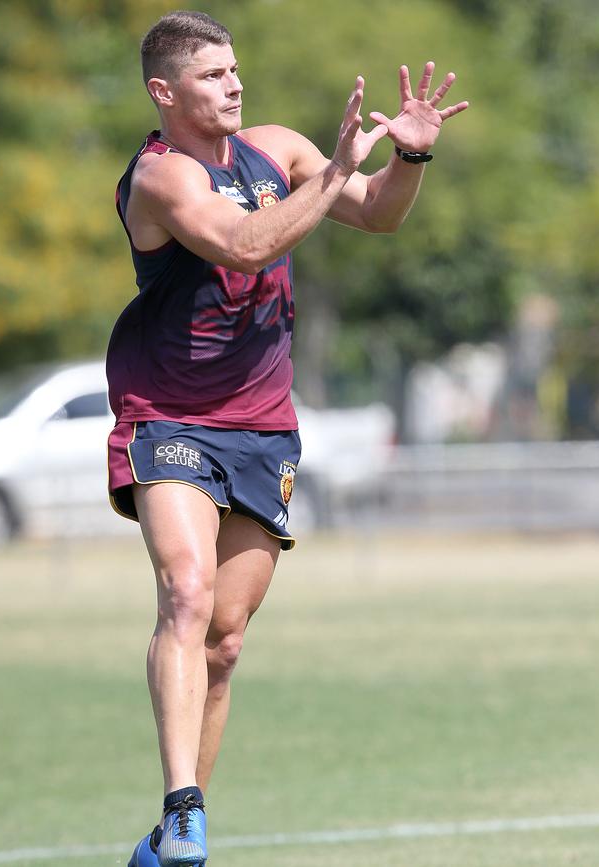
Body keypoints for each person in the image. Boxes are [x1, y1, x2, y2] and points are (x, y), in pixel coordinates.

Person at [105, 10, 468, 867]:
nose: (234, 83)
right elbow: (242, 245)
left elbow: (378, 214)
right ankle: (184, 807)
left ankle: (165, 846)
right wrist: (339, 163)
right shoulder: (160, 178)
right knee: (187, 594)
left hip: (264, 423)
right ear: (165, 92)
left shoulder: (278, 148)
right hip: (170, 411)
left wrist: (406, 156)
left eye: (235, 69)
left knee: (225, 636)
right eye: (211, 75)